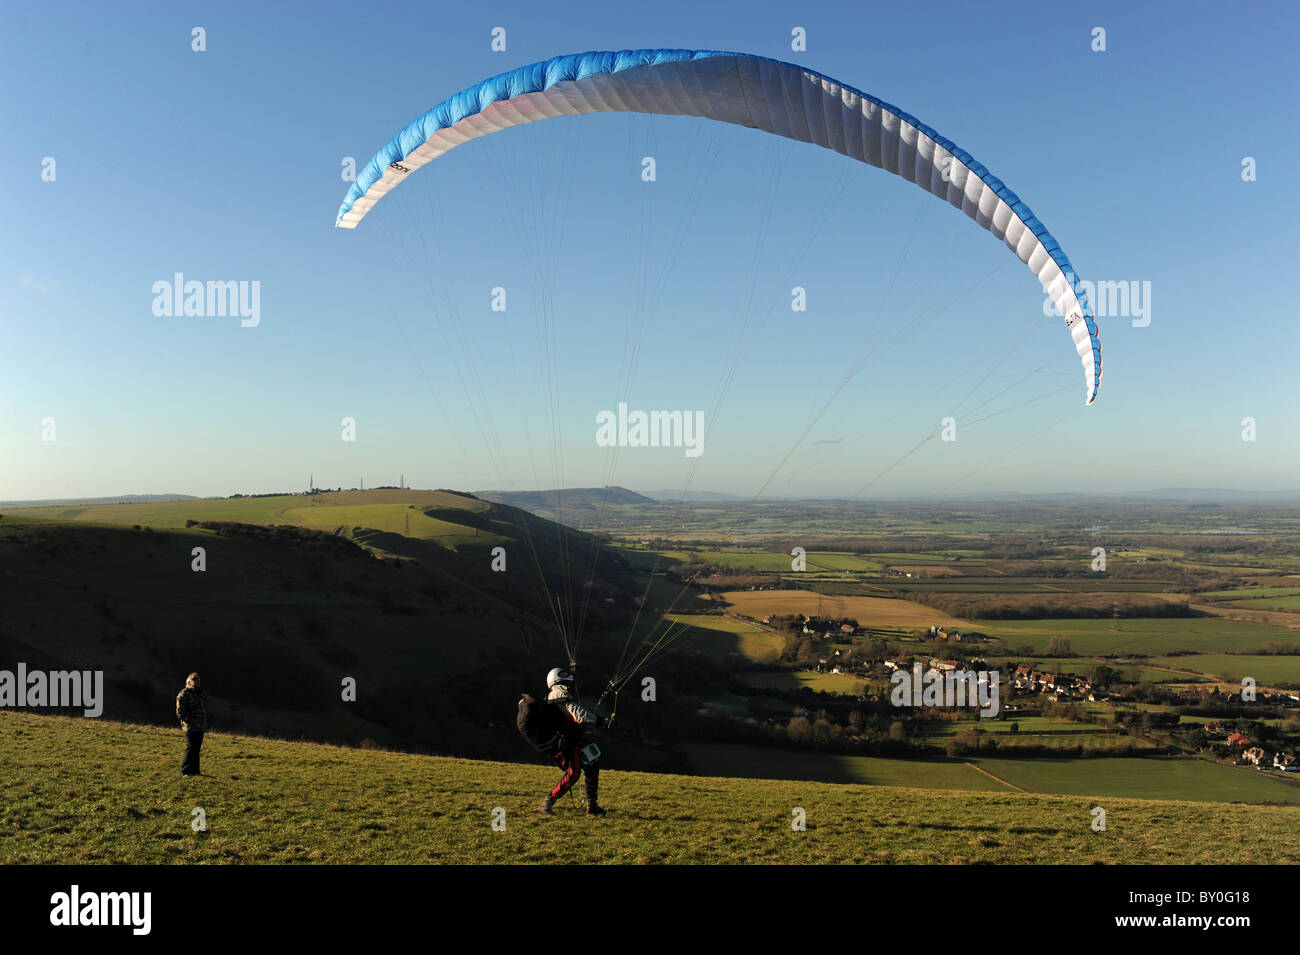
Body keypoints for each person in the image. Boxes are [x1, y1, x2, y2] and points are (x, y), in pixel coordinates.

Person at [539, 667, 606, 816]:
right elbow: (580, 715)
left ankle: (592, 805)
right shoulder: (559, 694)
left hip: (572, 739)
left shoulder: (557, 694)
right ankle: (548, 802)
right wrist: (599, 720)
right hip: (567, 743)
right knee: (574, 773)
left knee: (592, 764)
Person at [176, 672, 208, 776]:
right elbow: (180, 712)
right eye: (194, 680)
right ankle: (185, 771)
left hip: (200, 727)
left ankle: (195, 771)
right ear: (188, 682)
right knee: (191, 748)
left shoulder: (198, 694)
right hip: (190, 727)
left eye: (198, 680)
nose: (197, 682)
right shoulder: (184, 694)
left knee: (196, 749)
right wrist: (190, 722)